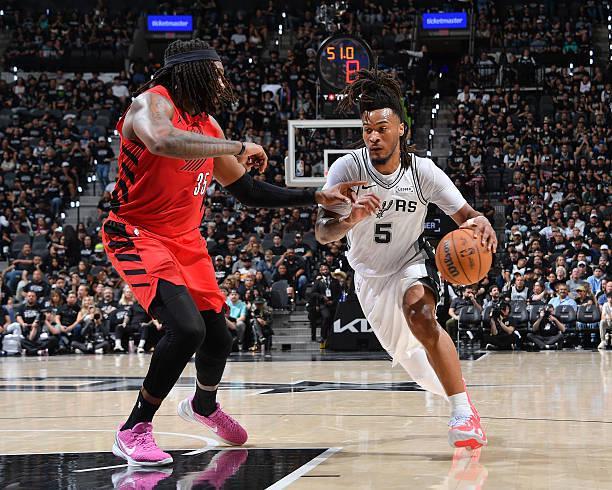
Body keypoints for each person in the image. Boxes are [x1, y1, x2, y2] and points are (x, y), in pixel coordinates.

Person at [102, 39, 361, 466]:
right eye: (216, 73)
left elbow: (247, 190)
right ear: (193, 72)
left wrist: (316, 196)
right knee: (186, 330)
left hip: (185, 240)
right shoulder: (151, 103)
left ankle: (203, 405)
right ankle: (134, 427)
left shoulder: (209, 126)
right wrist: (238, 147)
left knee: (219, 336)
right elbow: (163, 141)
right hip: (137, 233)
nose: (222, 82)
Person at [316, 69, 497, 449]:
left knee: (422, 314)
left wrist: (481, 223)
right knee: (418, 368)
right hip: (369, 277)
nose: (373, 137)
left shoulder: (422, 171)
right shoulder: (348, 168)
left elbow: (467, 216)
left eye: (382, 128)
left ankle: (462, 414)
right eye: (367, 130)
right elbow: (322, 232)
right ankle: (460, 396)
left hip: (410, 260)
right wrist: (350, 219)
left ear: (401, 129)